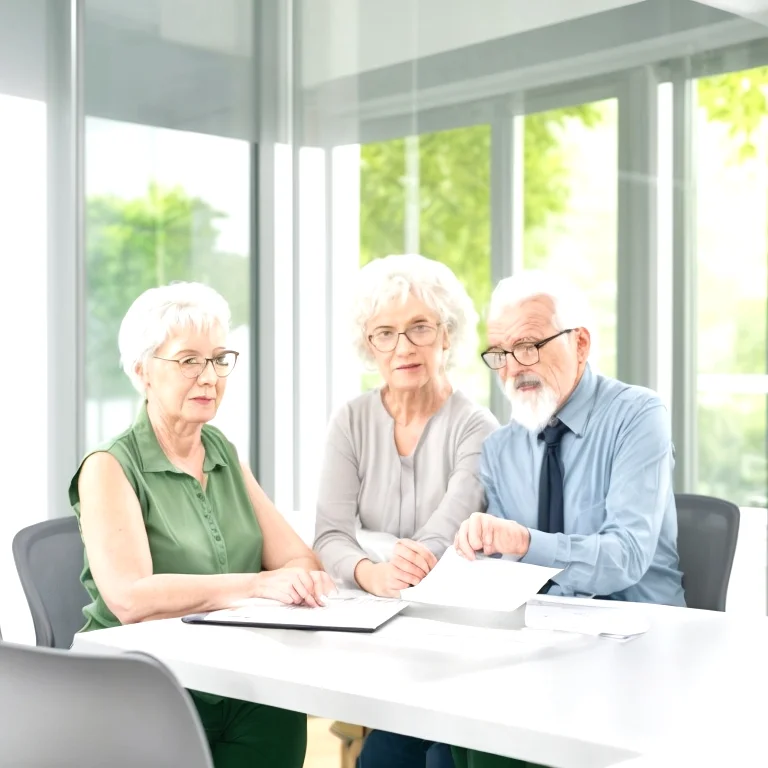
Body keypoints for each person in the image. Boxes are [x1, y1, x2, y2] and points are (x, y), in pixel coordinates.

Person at [70, 282, 334, 768]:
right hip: (145, 686)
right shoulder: (109, 466)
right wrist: (256, 585)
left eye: (219, 359)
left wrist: (298, 579)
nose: (209, 376)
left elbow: (300, 558)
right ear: (142, 371)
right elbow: (131, 598)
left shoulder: (220, 450)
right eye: (189, 360)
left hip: (237, 675)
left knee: (285, 714)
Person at [452, 271, 684, 768]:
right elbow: (508, 577)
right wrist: (481, 551)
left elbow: (626, 556)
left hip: (640, 649)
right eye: (500, 353)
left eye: (530, 345)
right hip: (543, 650)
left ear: (580, 343)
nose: (514, 367)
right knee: (457, 733)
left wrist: (521, 542)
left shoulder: (637, 416)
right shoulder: (500, 448)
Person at [314, 253, 498, 768]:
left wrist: (367, 546)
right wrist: (370, 572)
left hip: (450, 645)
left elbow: (434, 548)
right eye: (385, 333)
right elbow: (328, 535)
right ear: (368, 344)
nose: (404, 348)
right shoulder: (350, 421)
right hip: (367, 634)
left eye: (420, 328)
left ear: (447, 334)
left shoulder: (476, 428)